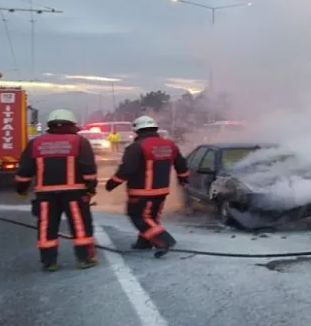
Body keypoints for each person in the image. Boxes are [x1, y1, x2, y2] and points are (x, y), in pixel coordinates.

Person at [14, 109, 99, 271]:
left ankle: (49, 262)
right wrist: (90, 191)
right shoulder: (80, 142)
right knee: (80, 226)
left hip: (45, 195)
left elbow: (24, 172)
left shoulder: (36, 143)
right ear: (72, 124)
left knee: (47, 227)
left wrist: (21, 190)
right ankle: (84, 258)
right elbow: (89, 171)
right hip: (74, 194)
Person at [105, 115, 188, 258]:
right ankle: (144, 243)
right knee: (151, 218)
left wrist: (111, 184)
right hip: (162, 191)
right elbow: (181, 165)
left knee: (138, 216)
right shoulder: (170, 145)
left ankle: (164, 240)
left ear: (137, 131)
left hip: (141, 192)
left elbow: (126, 170)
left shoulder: (136, 147)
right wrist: (183, 179)